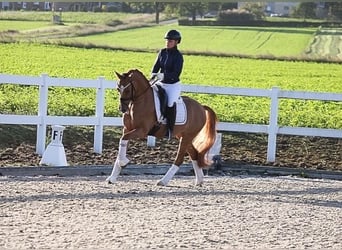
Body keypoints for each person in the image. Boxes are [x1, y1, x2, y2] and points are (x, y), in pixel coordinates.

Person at [151, 29, 184, 140]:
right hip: (160, 82)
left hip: (172, 85)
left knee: (170, 103)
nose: (168, 42)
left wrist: (164, 75)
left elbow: (176, 73)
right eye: (167, 40)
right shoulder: (162, 52)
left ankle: (170, 130)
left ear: (176, 42)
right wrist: (153, 74)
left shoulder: (178, 56)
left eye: (170, 41)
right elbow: (156, 67)